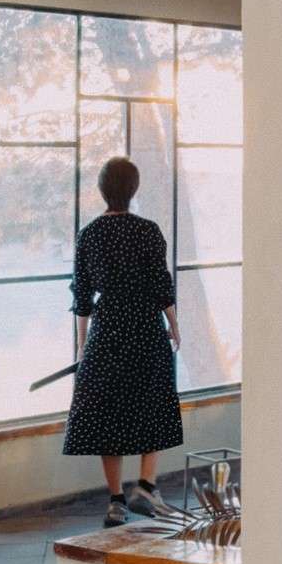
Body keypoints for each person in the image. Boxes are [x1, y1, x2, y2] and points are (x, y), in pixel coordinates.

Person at [64, 156, 184, 527]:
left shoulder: (89, 234)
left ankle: (116, 500)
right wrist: (173, 325)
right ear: (134, 189)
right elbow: (161, 285)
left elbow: (82, 295)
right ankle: (146, 485)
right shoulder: (148, 231)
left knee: (107, 413)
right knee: (154, 402)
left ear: (102, 190)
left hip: (108, 328)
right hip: (145, 325)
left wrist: (83, 343)